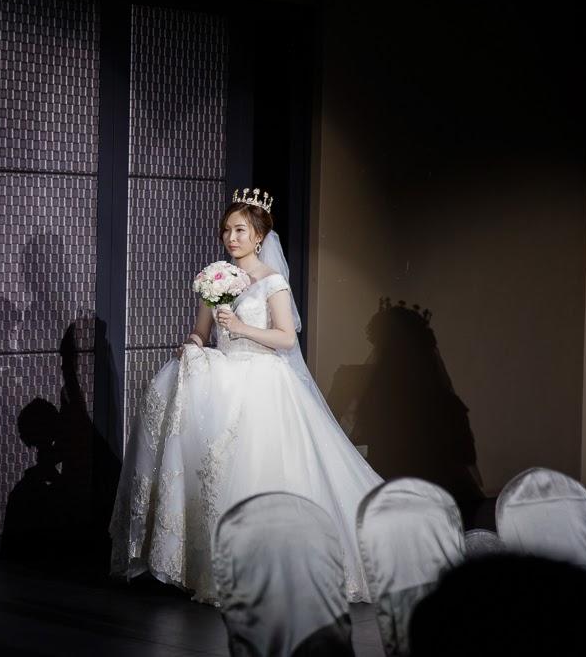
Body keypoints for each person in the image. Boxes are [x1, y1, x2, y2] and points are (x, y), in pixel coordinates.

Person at [110, 188, 383, 605]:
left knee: (257, 467)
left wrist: (240, 327)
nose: (231, 238)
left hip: (263, 380)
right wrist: (191, 345)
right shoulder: (215, 277)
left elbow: (286, 338)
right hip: (223, 377)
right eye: (226, 230)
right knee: (211, 467)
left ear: (259, 236)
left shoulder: (272, 281)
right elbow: (201, 331)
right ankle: (205, 564)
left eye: (240, 230)